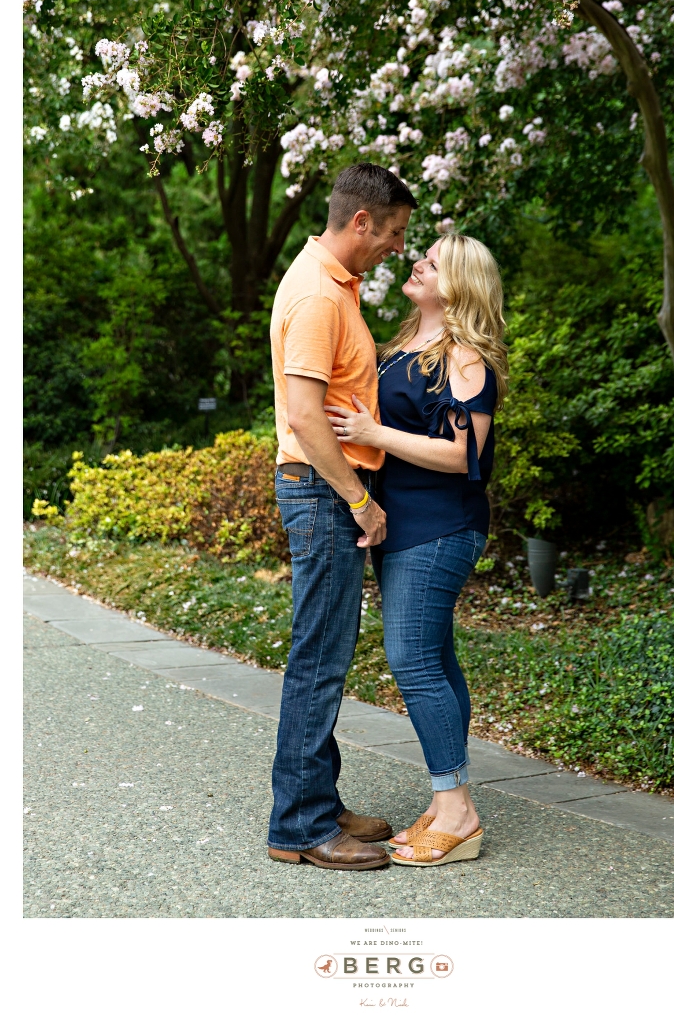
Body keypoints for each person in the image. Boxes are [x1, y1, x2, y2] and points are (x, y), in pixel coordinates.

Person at [325, 233, 507, 867]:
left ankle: (456, 809)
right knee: (436, 659)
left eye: (429, 262)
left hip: (441, 526)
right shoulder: (408, 343)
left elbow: (466, 457)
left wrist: (375, 432)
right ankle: (447, 799)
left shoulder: (464, 356)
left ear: (454, 284)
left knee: (412, 659)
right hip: (402, 525)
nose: (416, 263)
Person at [267, 163, 416, 870]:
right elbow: (303, 414)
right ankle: (299, 827)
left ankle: (318, 802)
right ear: (361, 222)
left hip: (326, 491)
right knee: (318, 661)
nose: (396, 246)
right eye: (392, 233)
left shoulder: (332, 286)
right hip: (325, 493)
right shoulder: (320, 296)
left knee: (324, 655)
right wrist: (360, 498)